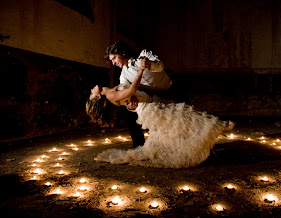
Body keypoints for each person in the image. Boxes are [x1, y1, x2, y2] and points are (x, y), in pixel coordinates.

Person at [86, 63, 235, 168]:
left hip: (151, 104)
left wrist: (131, 105)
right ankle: (201, 144)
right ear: (99, 97)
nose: (92, 89)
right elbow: (131, 91)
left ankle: (204, 143)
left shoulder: (112, 90)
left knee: (177, 126)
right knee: (182, 120)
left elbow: (128, 101)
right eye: (92, 94)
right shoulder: (111, 95)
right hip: (149, 109)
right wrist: (140, 71)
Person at [104, 41, 172, 148]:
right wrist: (129, 104)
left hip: (170, 90)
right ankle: (139, 145)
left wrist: (150, 64)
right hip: (152, 97)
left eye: (114, 58)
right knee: (129, 113)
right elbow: (126, 91)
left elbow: (161, 66)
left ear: (123, 53)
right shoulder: (123, 76)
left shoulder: (143, 55)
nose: (113, 63)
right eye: (111, 60)